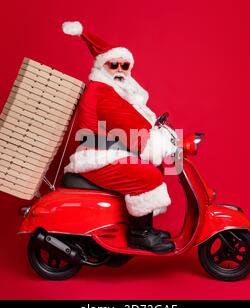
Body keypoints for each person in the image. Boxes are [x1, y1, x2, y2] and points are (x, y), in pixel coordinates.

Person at [62, 21, 177, 253]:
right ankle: (139, 235)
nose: (120, 70)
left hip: (109, 150)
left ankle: (146, 229)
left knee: (148, 170)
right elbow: (130, 127)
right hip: (98, 155)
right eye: (113, 64)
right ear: (102, 66)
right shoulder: (101, 92)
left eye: (125, 65)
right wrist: (160, 145)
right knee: (146, 176)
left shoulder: (112, 91)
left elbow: (136, 123)